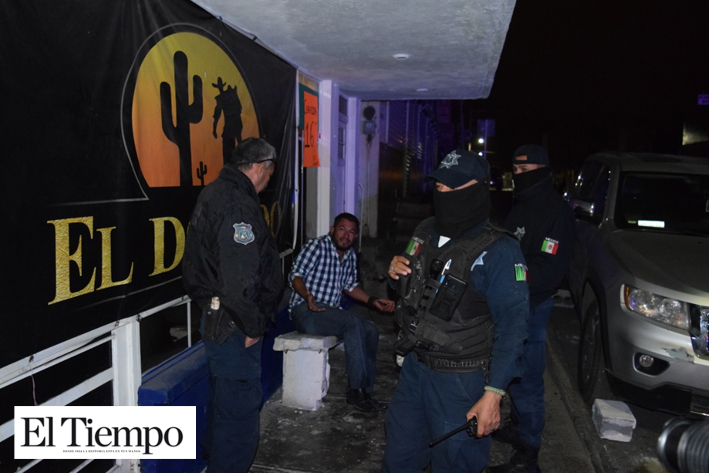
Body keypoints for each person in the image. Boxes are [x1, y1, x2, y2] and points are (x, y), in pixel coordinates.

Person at [382, 150, 529, 473]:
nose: (444, 193)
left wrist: (493, 394)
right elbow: (409, 287)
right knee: (399, 456)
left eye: (453, 187)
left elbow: (514, 328)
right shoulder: (425, 230)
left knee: (456, 463)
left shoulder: (500, 251)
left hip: (462, 380)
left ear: (478, 189)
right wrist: (395, 274)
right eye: (440, 187)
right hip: (415, 368)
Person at [182, 137, 284, 473]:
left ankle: (215, 461)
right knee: (239, 414)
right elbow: (238, 278)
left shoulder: (216, 192)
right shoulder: (237, 204)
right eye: (269, 172)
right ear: (259, 167)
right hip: (234, 325)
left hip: (220, 319)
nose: (269, 180)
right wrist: (253, 325)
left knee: (224, 402)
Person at [489, 144, 575, 473]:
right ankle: (517, 427)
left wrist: (508, 276)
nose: (518, 176)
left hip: (532, 307)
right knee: (511, 373)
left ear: (542, 170)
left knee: (527, 381)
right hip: (511, 303)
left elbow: (548, 271)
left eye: (524, 171)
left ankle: (528, 456)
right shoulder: (522, 204)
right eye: (515, 170)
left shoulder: (556, 211)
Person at [288, 212, 396, 413]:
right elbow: (296, 275)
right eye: (342, 229)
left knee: (370, 330)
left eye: (352, 232)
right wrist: (306, 295)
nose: (346, 236)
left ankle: (365, 391)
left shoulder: (350, 256)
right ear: (332, 230)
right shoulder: (317, 246)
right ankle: (355, 391)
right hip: (306, 310)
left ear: (356, 236)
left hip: (330, 313)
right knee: (353, 323)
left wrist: (373, 301)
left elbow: (350, 286)